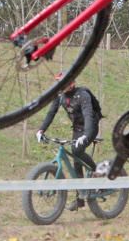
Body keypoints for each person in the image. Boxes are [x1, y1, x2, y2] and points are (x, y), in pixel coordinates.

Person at [36, 74, 101, 211]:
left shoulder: (83, 95)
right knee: (76, 161)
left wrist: (86, 135)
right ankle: (80, 199)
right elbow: (51, 112)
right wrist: (41, 130)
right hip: (77, 129)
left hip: (90, 128)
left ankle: (97, 173)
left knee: (77, 151)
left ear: (71, 84)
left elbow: (88, 115)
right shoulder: (60, 95)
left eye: (64, 83)